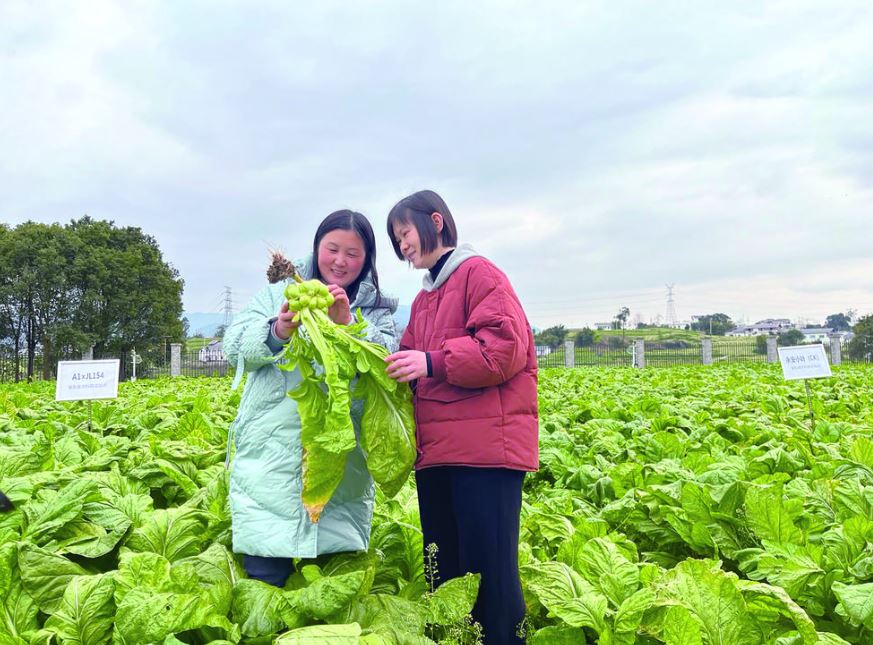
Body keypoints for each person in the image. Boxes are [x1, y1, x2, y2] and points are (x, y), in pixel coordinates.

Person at [384, 190, 538, 644]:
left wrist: (430, 362)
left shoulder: (479, 274)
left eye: (405, 232)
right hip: (438, 456)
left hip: (486, 454)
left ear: (436, 221)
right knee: (446, 574)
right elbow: (406, 359)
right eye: (396, 240)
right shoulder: (424, 298)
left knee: (488, 573)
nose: (402, 245)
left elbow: (504, 349)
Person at [224, 210, 398, 587]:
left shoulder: (377, 310)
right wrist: (279, 330)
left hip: (342, 464)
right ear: (317, 247)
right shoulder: (276, 294)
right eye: (332, 249)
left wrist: (349, 325)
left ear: (367, 259)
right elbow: (234, 346)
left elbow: (389, 364)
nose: (340, 261)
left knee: (333, 597)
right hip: (272, 458)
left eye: (353, 254)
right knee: (265, 585)